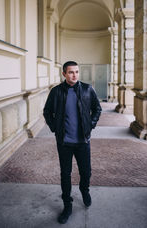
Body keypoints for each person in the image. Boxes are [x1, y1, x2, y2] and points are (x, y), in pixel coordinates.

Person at [43, 61, 101, 224]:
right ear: (64, 74)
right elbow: (47, 111)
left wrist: (91, 124)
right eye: (70, 72)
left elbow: (97, 108)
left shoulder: (87, 89)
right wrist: (55, 127)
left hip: (83, 141)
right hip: (64, 142)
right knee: (65, 174)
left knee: (86, 172)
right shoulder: (56, 92)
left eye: (76, 72)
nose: (74, 75)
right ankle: (67, 205)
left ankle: (84, 190)